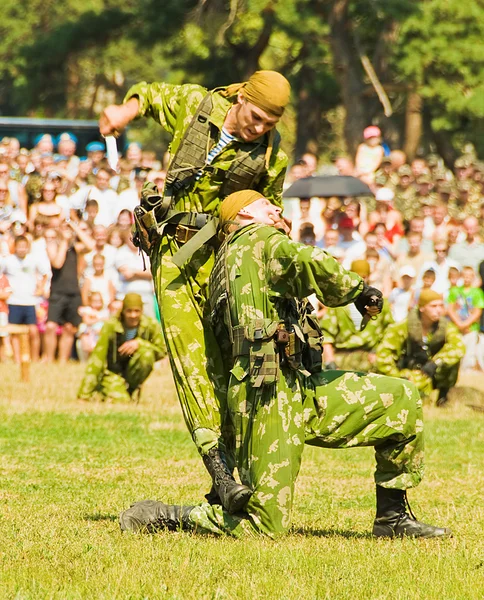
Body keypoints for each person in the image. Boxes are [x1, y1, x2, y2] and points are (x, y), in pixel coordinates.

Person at [119, 190, 450, 540]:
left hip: (298, 384)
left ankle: (392, 518)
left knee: (400, 398)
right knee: (267, 524)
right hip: (266, 396)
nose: (277, 208)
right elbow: (310, 260)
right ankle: (169, 515)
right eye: (266, 205)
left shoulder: (238, 255)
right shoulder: (257, 238)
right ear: (243, 215)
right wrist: (357, 290)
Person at [99, 70, 290, 513]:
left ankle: (231, 477)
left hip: (222, 261)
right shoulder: (196, 107)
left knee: (231, 365)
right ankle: (220, 474)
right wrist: (122, 111)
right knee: (191, 360)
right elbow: (149, 94)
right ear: (242, 96)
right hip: (175, 255)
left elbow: (270, 207)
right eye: (257, 117)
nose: (259, 128)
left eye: (269, 124)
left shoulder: (270, 155)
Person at [376, 290, 465, 406]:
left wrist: (436, 363)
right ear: (422, 308)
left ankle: (443, 398)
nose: (438, 310)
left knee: (453, 361)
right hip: (408, 373)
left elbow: (458, 347)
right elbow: (384, 356)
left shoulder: (445, 327)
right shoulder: (401, 327)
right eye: (433, 306)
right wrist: (397, 377)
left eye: (441, 306)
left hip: (432, 371)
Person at [77, 293, 165, 402]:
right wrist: (84, 394)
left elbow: (162, 350)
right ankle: (104, 389)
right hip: (113, 373)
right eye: (129, 311)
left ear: (142, 311)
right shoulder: (111, 325)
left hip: (132, 373)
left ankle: (132, 389)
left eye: (136, 311)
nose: (133, 315)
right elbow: (97, 359)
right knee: (122, 401)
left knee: (146, 354)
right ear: (123, 311)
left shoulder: (151, 325)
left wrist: (140, 343)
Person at [319, 260, 394, 372]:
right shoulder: (337, 304)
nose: (361, 281)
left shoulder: (379, 304)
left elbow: (390, 332)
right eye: (357, 277)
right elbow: (326, 335)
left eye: (364, 277)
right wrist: (330, 361)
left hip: (370, 361)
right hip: (342, 361)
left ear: (369, 277)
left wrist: (379, 353)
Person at [447, 265, 484, 371]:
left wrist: (465, 324)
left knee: (469, 353)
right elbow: (450, 308)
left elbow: (477, 311)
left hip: (471, 329)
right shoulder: (454, 291)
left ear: (473, 278)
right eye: (465, 276)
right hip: (456, 327)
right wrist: (459, 323)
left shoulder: (478, 293)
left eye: (469, 276)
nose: (467, 279)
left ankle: (466, 373)